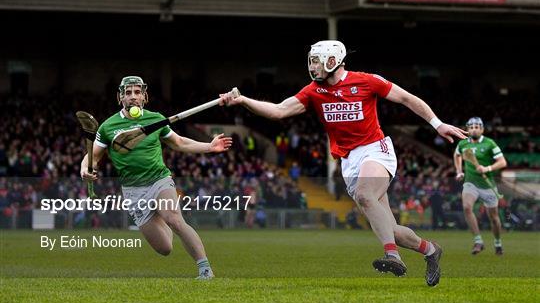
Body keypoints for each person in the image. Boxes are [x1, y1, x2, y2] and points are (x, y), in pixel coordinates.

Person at [219, 40, 467, 287]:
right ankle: (431, 251)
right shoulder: (313, 91)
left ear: (332, 61)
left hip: (375, 150)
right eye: (312, 61)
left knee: (364, 194)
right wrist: (243, 101)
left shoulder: (367, 81)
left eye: (317, 61)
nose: (313, 67)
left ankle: (392, 256)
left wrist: (438, 124)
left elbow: (407, 98)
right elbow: (278, 111)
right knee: (393, 229)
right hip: (349, 161)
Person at [80, 76, 232, 279]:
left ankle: (205, 269)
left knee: (175, 220)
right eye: (128, 93)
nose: (133, 97)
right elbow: (92, 157)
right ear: (120, 98)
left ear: (144, 96)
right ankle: (160, 216)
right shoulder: (108, 127)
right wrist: (85, 169)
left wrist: (209, 146)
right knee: (165, 248)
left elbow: (179, 142)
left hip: (159, 180)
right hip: (133, 191)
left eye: (137, 92)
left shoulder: (156, 119)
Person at [453, 117, 507, 255]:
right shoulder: (463, 144)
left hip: (488, 185)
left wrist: (487, 168)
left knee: (494, 218)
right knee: (466, 207)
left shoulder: (490, 143)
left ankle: (498, 242)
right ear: (467, 129)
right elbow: (457, 155)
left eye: (477, 127)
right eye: (471, 127)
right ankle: (478, 241)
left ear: (482, 129)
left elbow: (502, 162)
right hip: (471, 183)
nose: (474, 129)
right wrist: (459, 171)